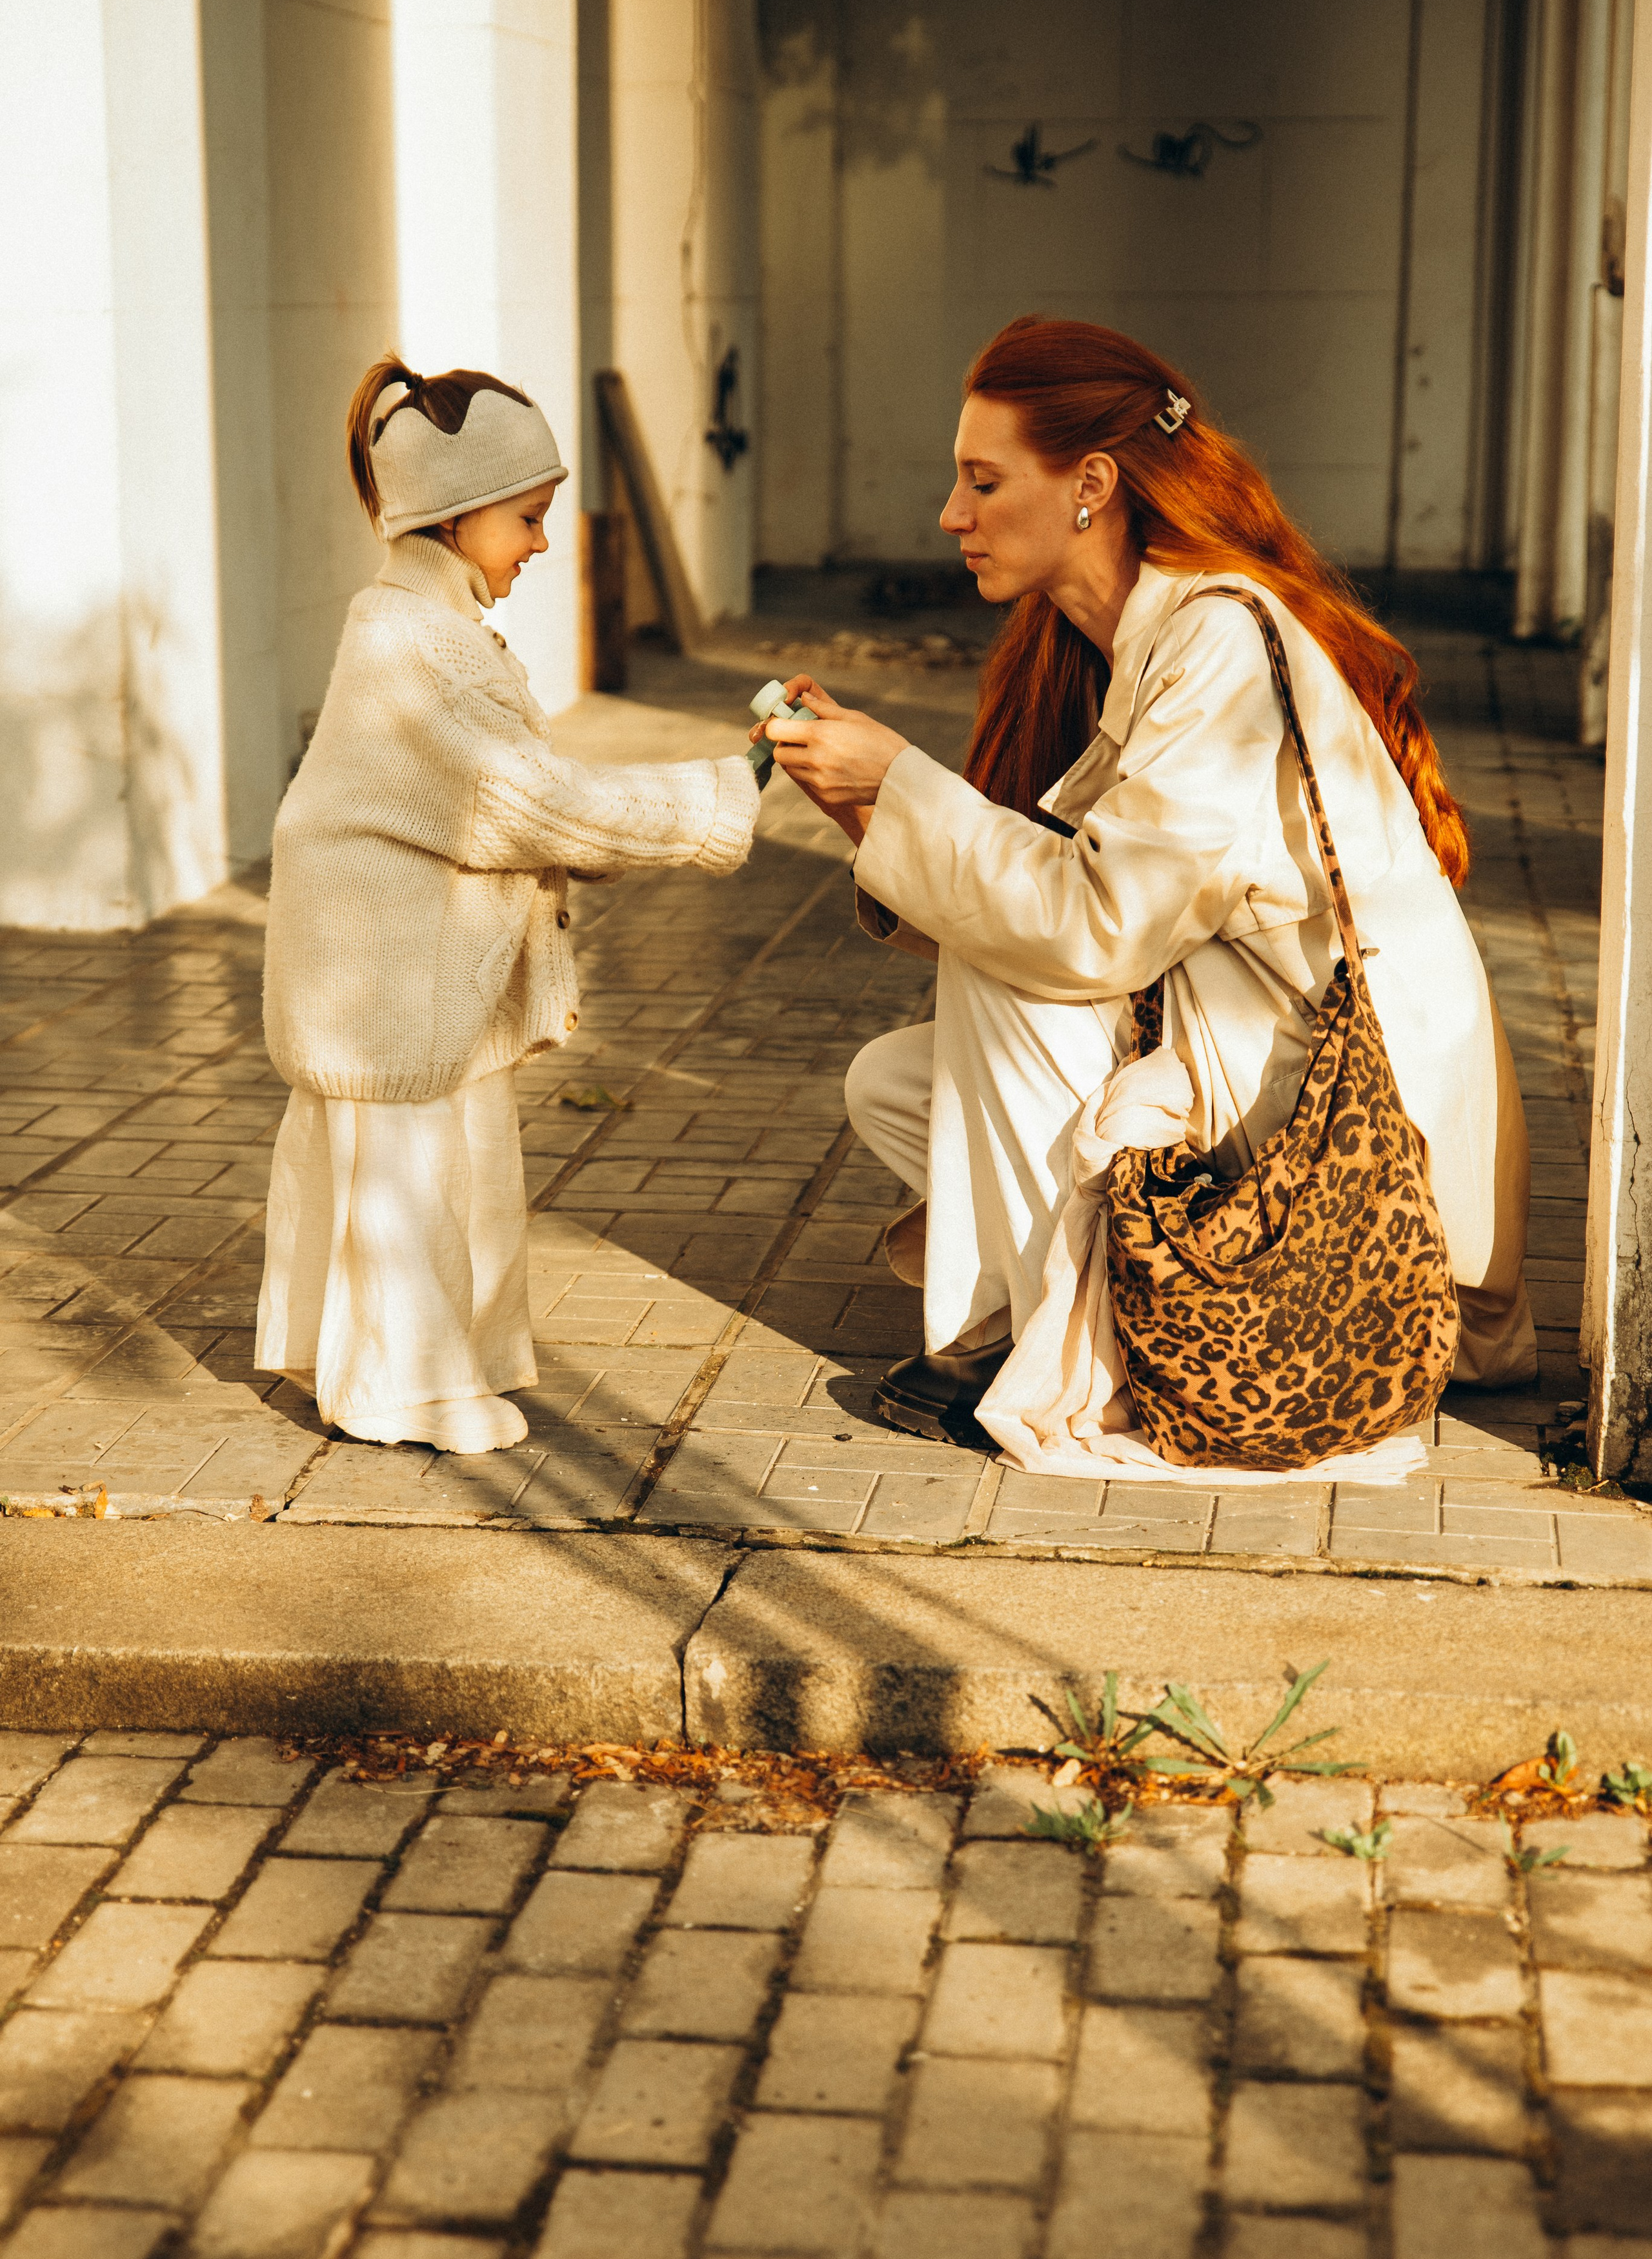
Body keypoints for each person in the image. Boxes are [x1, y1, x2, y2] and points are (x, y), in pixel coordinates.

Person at [758, 316, 1535, 1477]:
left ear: (1092, 486)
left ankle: (1033, 1358)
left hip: (1356, 1169)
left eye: (982, 480)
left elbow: (1085, 931)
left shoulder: (1216, 642)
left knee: (1010, 969)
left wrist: (904, 785)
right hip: (1247, 1065)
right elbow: (1057, 894)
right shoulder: (1122, 640)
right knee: (893, 1083)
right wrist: (869, 810)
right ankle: (1102, 1314)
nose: (950, 514)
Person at [257, 355, 759, 1454]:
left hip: (418, 974)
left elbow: (530, 806)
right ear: (454, 514)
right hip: (387, 978)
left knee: (456, 1170)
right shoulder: (405, 640)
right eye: (528, 517)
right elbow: (524, 802)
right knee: (409, 1181)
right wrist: (724, 795)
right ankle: (398, 1388)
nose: (541, 542)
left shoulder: (425, 625)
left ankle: (441, 1372)